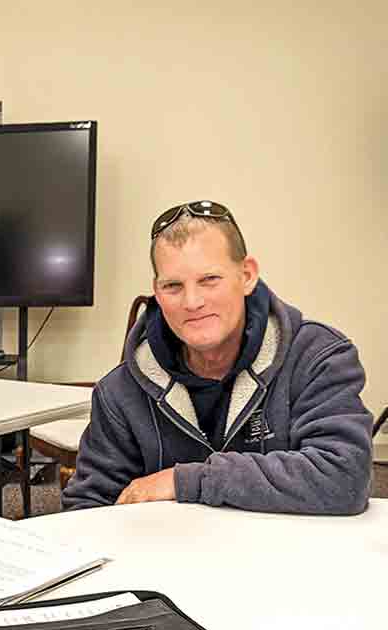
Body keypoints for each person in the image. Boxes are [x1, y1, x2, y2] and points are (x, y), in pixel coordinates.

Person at [62, 199, 372, 514]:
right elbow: (87, 508)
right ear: (156, 291)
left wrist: (186, 480)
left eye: (209, 279)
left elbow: (344, 478)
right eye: (173, 286)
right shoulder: (119, 391)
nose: (192, 301)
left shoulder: (318, 357)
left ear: (247, 275)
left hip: (287, 557)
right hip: (171, 558)